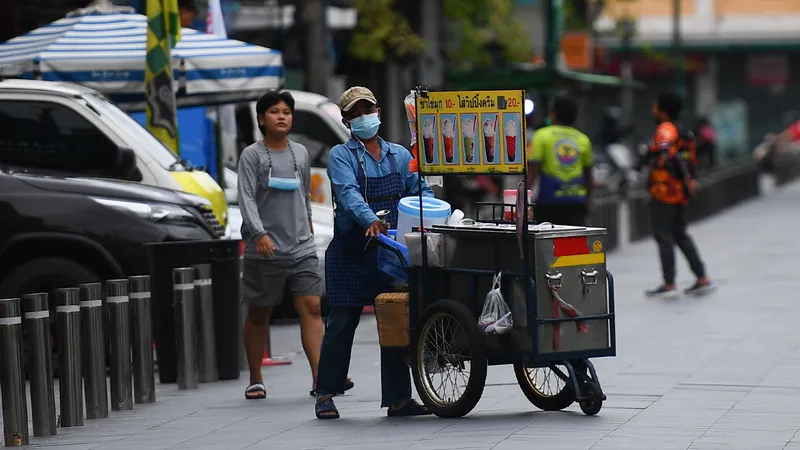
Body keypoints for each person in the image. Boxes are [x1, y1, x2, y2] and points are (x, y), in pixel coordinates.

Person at [314, 86, 434, 420]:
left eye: (368, 110)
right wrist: (370, 220)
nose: (363, 117)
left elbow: (417, 190)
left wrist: (433, 200)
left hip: (390, 251)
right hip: (351, 251)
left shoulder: (398, 154)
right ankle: (325, 393)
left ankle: (398, 399)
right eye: (355, 113)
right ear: (346, 120)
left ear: (378, 113)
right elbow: (348, 193)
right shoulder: (341, 155)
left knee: (394, 319)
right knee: (342, 322)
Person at [238, 91, 352, 400]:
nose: (281, 116)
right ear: (262, 119)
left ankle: (320, 378)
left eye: (286, 112)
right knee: (260, 312)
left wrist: (309, 227)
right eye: (274, 111)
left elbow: (303, 196)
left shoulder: (300, 153)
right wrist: (258, 233)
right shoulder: (252, 155)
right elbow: (246, 198)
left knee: (312, 306)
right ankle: (255, 378)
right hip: (264, 247)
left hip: (301, 245)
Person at [644, 92, 715, 298]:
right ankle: (702, 277)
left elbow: (668, 155)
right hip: (680, 193)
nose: (652, 109)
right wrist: (689, 180)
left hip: (664, 191)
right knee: (680, 235)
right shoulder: (685, 130)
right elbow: (691, 159)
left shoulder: (665, 129)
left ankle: (669, 283)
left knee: (664, 236)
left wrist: (682, 178)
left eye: (655, 105)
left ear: (662, 109)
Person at [527, 95, 593, 226]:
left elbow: (533, 169)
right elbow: (588, 175)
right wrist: (588, 201)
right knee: (574, 243)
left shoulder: (541, 135)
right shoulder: (583, 139)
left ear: (553, 114)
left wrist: (524, 198)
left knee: (546, 244)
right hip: (576, 202)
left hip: (548, 202)